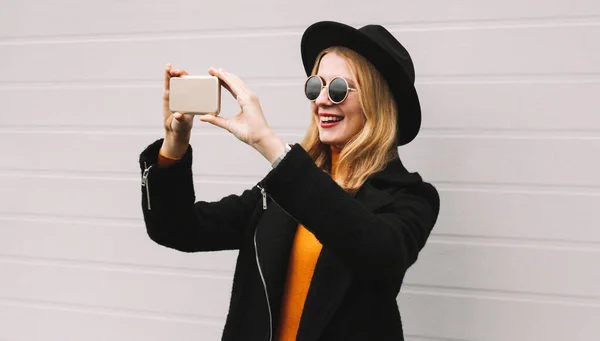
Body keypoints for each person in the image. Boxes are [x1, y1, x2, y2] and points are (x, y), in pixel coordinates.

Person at [139, 21, 440, 341]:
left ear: (378, 101)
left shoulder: (410, 197)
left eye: (337, 88)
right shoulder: (283, 189)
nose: (322, 100)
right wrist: (174, 144)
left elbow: (380, 254)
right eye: (315, 86)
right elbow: (177, 228)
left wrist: (268, 144)